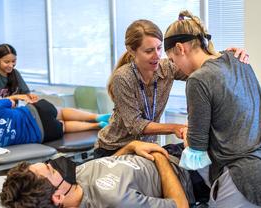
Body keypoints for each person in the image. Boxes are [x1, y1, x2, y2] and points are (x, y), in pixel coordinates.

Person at [163, 10, 261, 208]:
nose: (177, 67)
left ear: (180, 48)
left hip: (251, 182)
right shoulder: (237, 58)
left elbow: (197, 153)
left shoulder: (197, 80)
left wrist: (188, 136)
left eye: (172, 60)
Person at [94, 19, 249, 158]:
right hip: (115, 149)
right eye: (149, 51)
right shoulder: (123, 78)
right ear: (131, 50)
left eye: (159, 48)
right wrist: (176, 127)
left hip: (144, 148)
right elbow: (135, 125)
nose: (157, 55)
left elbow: (201, 68)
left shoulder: (166, 68)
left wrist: (227, 57)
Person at [0, 140, 193, 208]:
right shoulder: (113, 201)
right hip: (188, 172)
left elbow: (108, 165)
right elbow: (179, 205)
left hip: (162, 153)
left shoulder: (74, 181)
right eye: (51, 170)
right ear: (57, 197)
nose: (56, 166)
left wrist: (131, 146)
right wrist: (159, 156)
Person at [0, 96, 109, 147]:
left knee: (65, 126)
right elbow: (11, 102)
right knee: (62, 112)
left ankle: (96, 125)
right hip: (36, 111)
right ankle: (97, 117)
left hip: (42, 133)